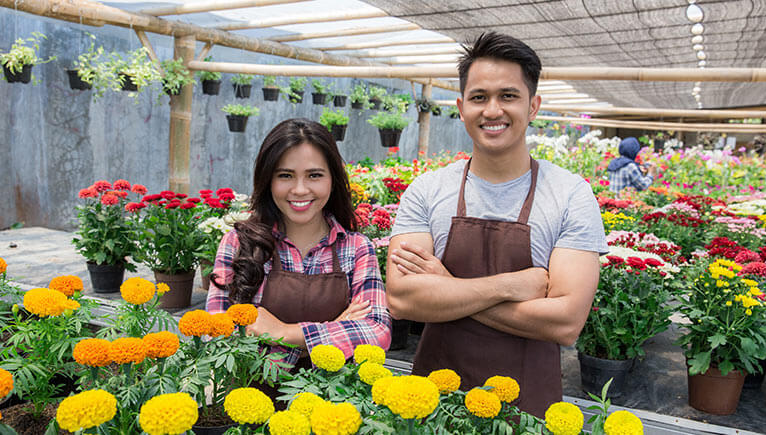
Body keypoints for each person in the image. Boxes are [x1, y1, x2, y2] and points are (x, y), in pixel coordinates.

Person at [386, 32, 608, 418]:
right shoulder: (428, 190)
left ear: (533, 106)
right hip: (434, 406)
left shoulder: (569, 195)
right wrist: (509, 286)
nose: (492, 110)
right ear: (461, 107)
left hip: (525, 411)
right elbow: (404, 300)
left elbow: (566, 322)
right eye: (479, 97)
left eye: (508, 96)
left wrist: (447, 287)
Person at [207, 118, 391, 393]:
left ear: (333, 179)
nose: (300, 189)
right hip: (249, 403)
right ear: (267, 179)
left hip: (333, 405)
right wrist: (331, 332)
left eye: (314, 175)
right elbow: (217, 335)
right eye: (285, 175)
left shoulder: (356, 248)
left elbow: (377, 332)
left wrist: (284, 333)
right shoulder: (238, 244)